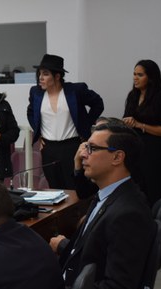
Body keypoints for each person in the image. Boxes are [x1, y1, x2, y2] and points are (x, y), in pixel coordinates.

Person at [49, 123, 155, 289]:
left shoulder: (128, 213)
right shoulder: (107, 196)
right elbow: (94, 251)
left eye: (92, 148)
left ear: (117, 157)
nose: (83, 154)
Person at [27, 54, 104, 190]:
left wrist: (85, 125)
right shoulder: (36, 93)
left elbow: (98, 103)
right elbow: (31, 112)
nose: (40, 77)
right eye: (39, 73)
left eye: (45, 74)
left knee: (76, 187)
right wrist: (38, 134)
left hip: (72, 146)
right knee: (54, 189)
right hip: (48, 149)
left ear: (57, 76)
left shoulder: (76, 90)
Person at [122, 59, 161, 206]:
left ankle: (157, 221)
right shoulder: (132, 96)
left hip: (155, 153)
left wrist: (139, 125)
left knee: (154, 195)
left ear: (151, 78)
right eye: (134, 74)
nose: (135, 78)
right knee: (135, 195)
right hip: (135, 152)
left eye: (140, 75)